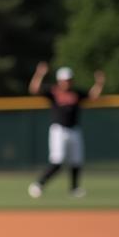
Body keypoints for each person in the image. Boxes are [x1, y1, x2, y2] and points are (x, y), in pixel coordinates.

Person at [27, 62, 106, 198]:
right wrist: (39, 74)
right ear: (59, 81)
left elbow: (93, 96)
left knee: (77, 160)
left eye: (69, 80)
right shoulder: (53, 92)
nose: (67, 82)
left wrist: (99, 83)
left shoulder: (76, 93)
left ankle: (74, 189)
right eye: (65, 80)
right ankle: (39, 184)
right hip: (59, 130)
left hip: (74, 130)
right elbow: (34, 89)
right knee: (57, 161)